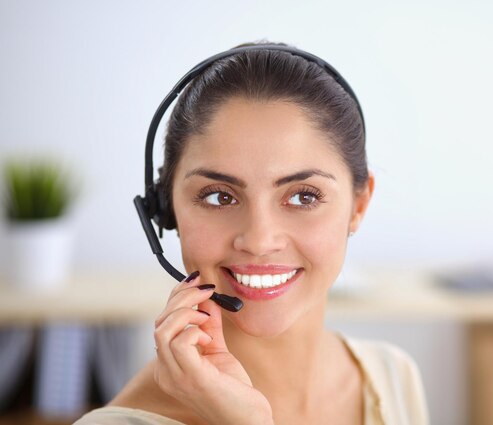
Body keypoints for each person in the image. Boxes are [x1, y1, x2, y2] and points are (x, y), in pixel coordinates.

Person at [75, 41, 428, 425]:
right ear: (167, 209)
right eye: (219, 197)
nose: (259, 241)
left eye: (303, 196)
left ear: (358, 205)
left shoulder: (391, 375)